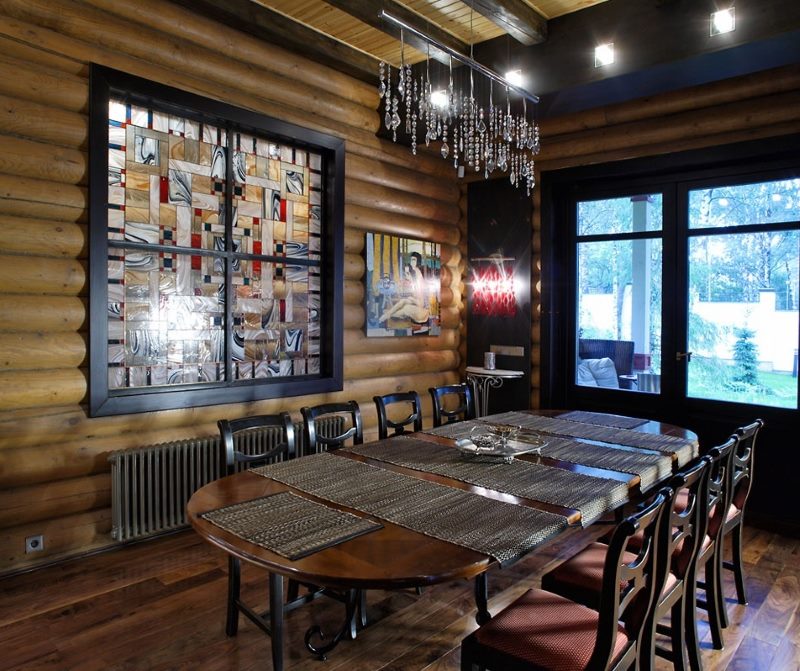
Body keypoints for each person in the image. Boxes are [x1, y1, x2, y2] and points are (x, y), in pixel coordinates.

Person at [378, 252, 430, 325]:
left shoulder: (418, 274)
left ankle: (387, 314)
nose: (412, 262)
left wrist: (411, 299)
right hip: (418, 305)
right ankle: (387, 314)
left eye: (414, 260)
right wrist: (410, 279)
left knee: (406, 308)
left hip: (423, 313)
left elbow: (421, 303)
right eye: (411, 260)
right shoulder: (415, 272)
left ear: (418, 261)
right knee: (403, 301)